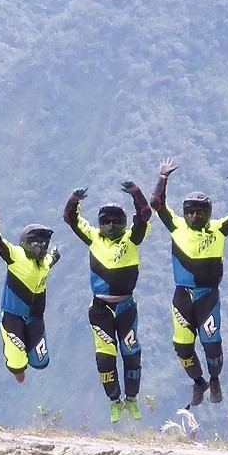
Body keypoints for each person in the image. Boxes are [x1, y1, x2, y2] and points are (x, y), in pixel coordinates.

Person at [151, 157, 228, 408]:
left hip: (208, 295)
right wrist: (163, 178)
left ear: (208, 213)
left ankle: (214, 380)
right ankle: (198, 382)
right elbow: (157, 205)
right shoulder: (177, 227)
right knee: (182, 346)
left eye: (199, 211)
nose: (194, 215)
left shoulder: (219, 229)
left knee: (212, 342)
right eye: (190, 211)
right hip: (182, 295)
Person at [65, 180, 151, 423]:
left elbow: (144, 215)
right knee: (105, 357)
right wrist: (74, 200)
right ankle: (114, 401)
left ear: (123, 223)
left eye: (116, 221)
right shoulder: (93, 238)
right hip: (101, 308)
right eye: (105, 221)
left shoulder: (132, 239)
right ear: (100, 224)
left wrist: (136, 192)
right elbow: (70, 219)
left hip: (125, 307)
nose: (111, 225)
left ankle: (132, 399)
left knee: (131, 354)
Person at [0, 198, 60, 382]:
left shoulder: (45, 261)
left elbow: (52, 259)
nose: (39, 248)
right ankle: (18, 370)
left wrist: (55, 254)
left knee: (41, 362)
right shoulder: (16, 255)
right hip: (12, 316)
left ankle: (25, 365)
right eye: (35, 243)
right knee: (17, 366)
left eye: (43, 244)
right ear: (26, 242)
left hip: (35, 317)